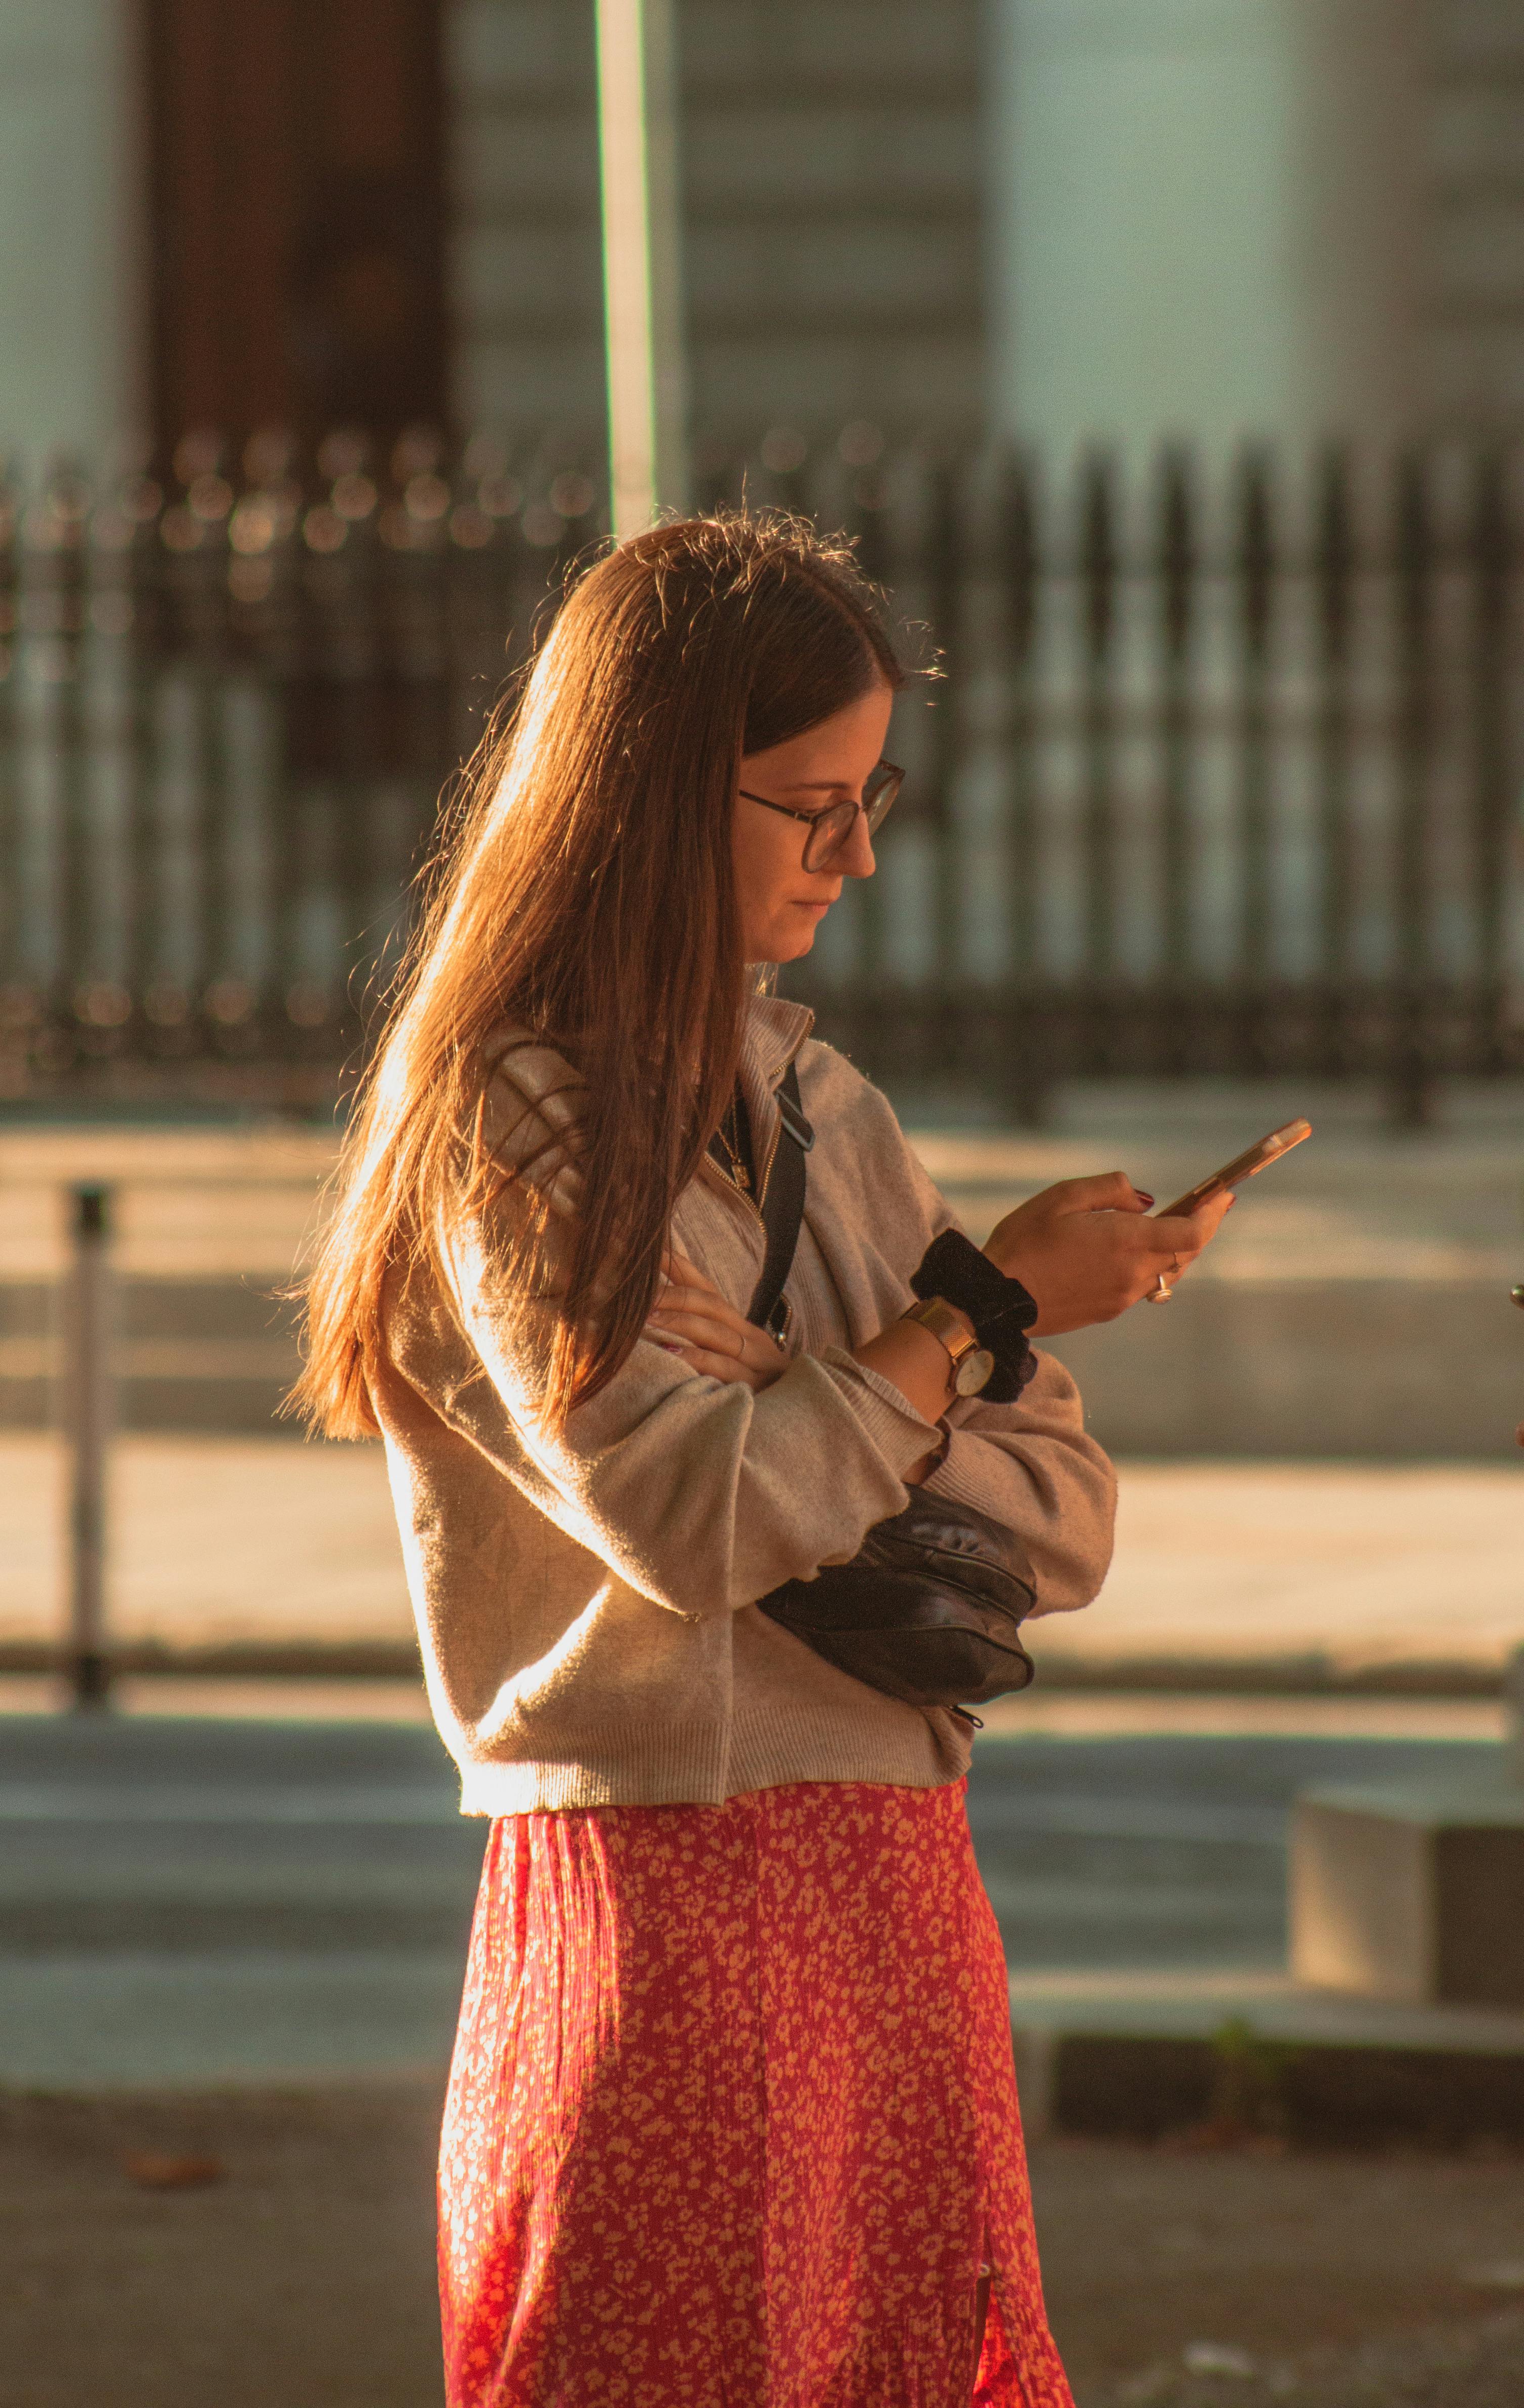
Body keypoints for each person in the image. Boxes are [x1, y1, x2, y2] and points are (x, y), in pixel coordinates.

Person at [297, 513, 1229, 2408]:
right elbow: (699, 1517)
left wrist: (826, 1377)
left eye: (873, 796)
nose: (861, 853)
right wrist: (955, 1327)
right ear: (650, 796)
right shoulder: (519, 1125)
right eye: (812, 805)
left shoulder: (818, 1098)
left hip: (895, 1877)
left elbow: (1062, 1520)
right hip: (662, 1893)